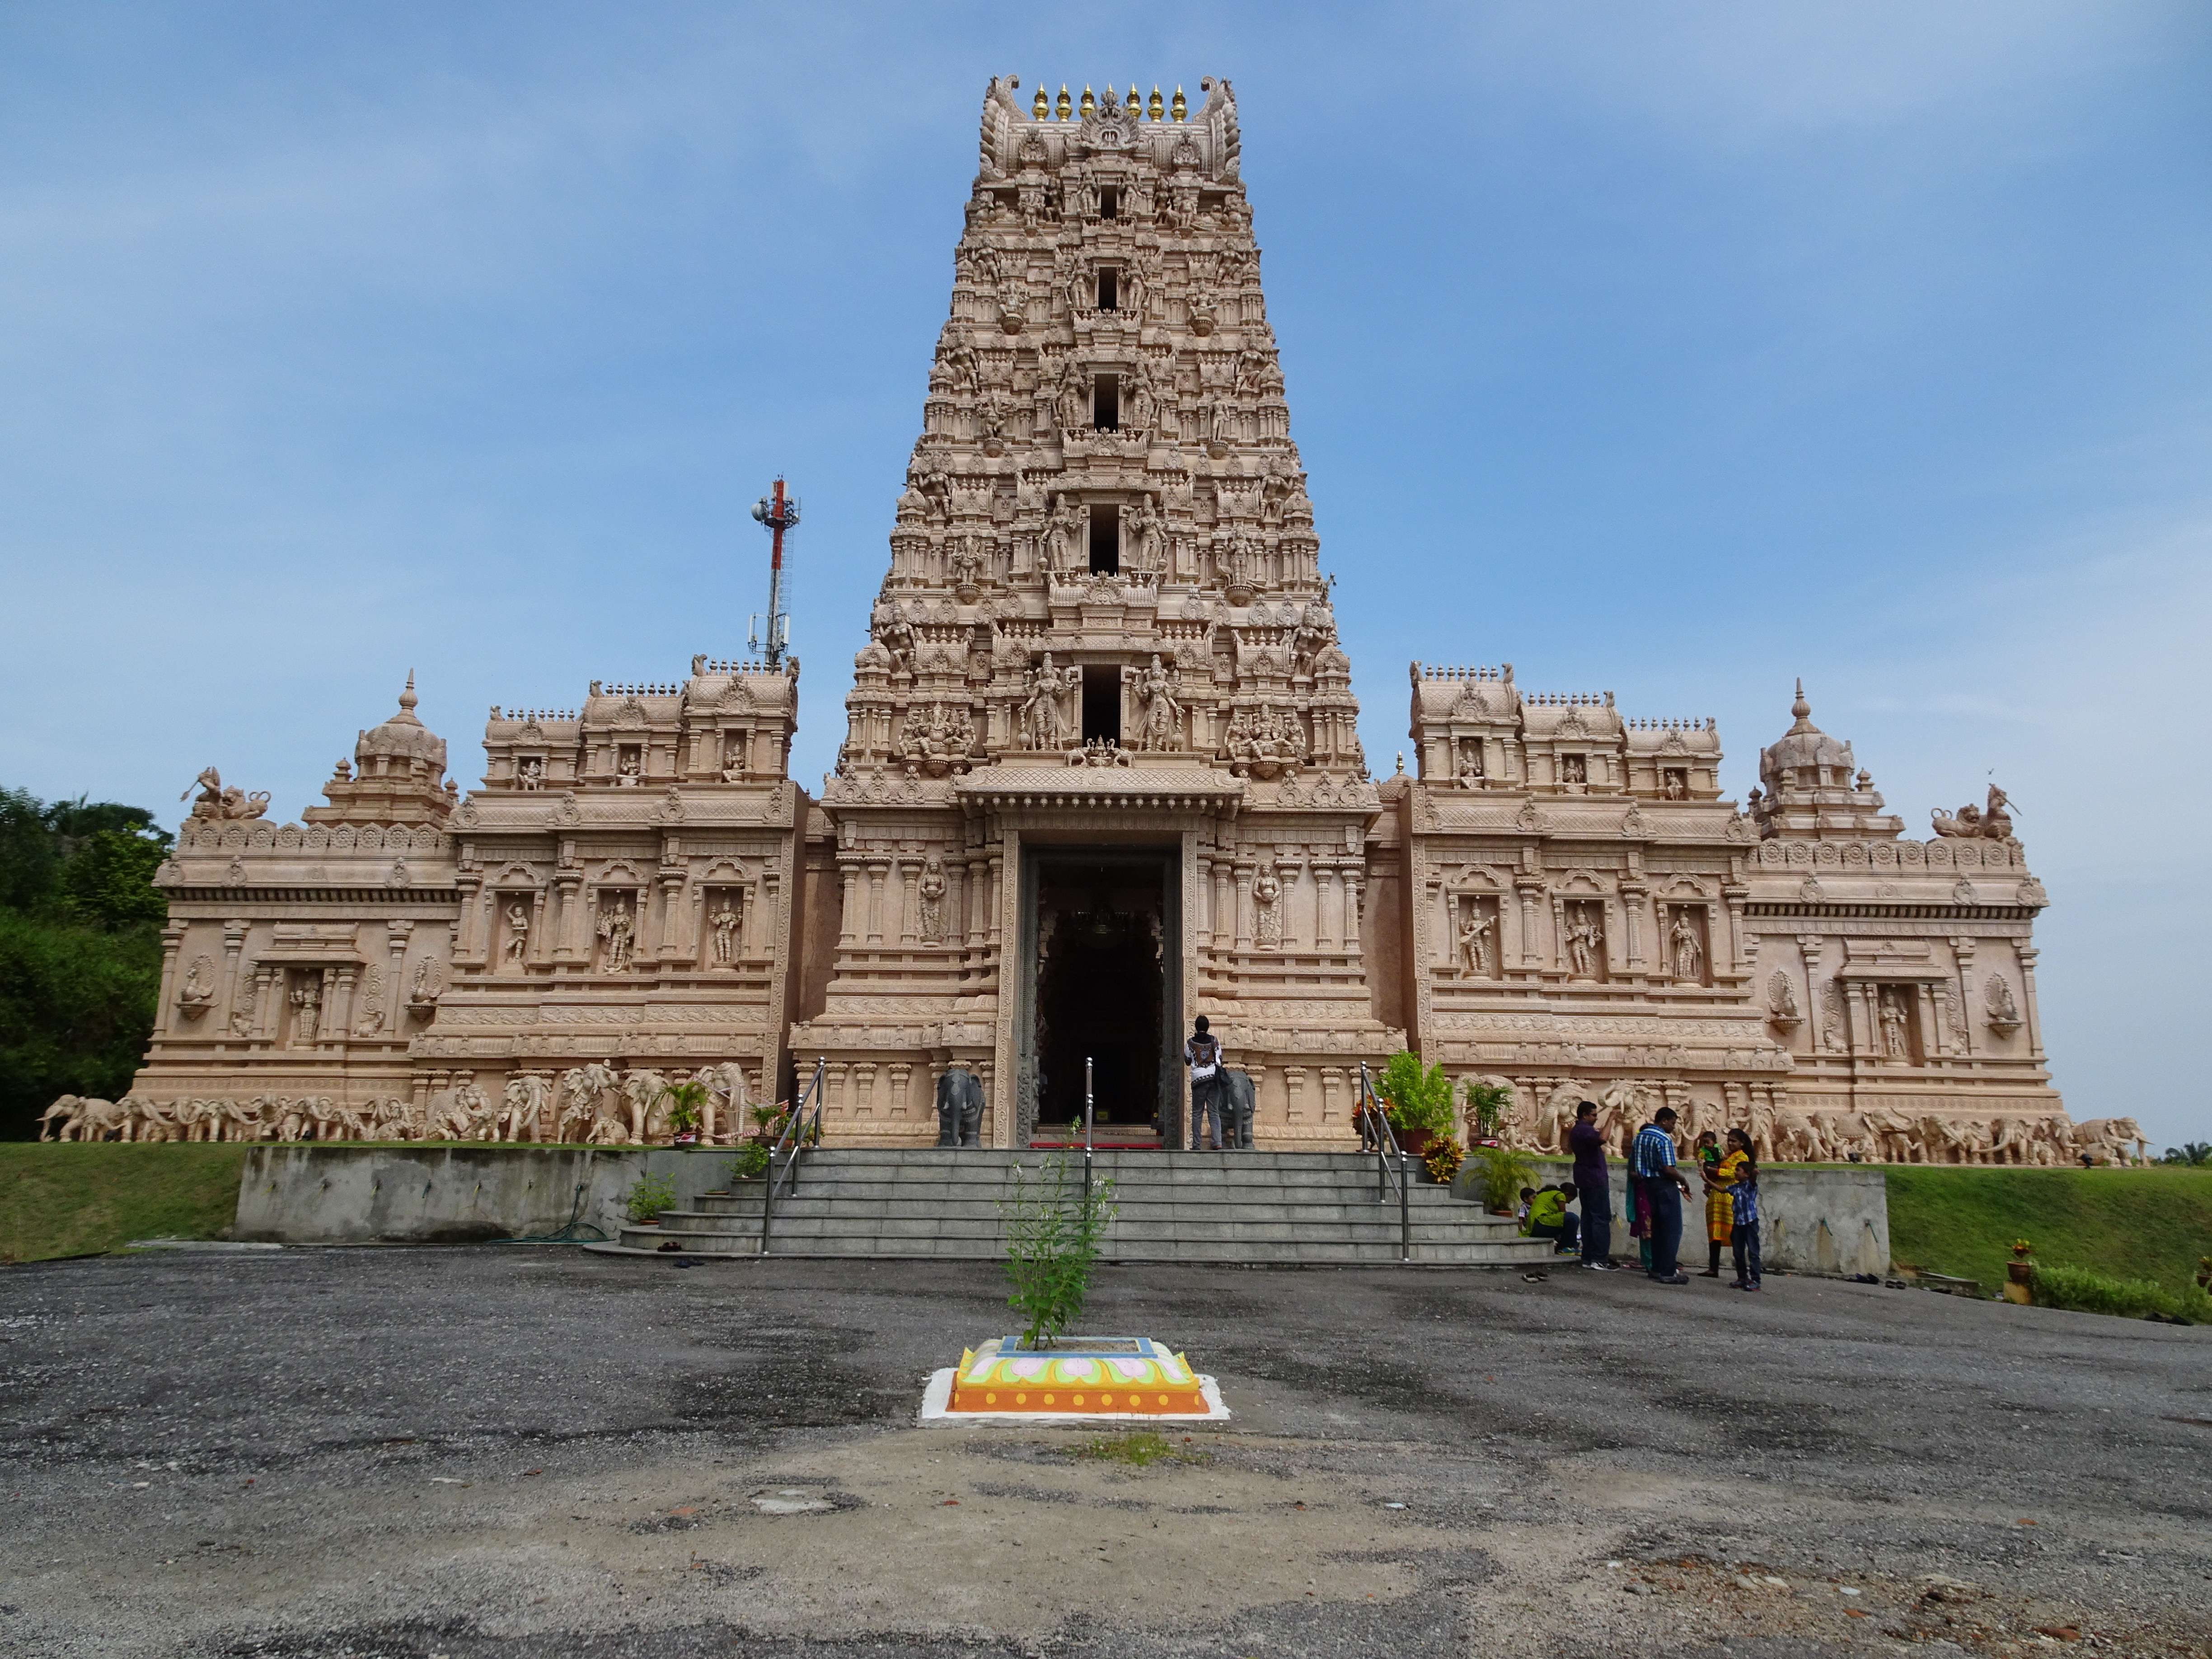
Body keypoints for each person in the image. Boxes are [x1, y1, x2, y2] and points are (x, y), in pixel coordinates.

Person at [1632, 1106, 1694, 1284]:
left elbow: (1637, 1166)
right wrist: (1683, 1180)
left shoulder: (1640, 1137)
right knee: (1672, 1230)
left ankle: (1656, 1268)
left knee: (1657, 1228)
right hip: (1664, 1185)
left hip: (1648, 1185)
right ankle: (1668, 1271)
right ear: (1664, 1121)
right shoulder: (1663, 1139)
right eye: (1673, 1123)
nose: (1674, 1127)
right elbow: (1668, 1168)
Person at [1567, 1100, 1616, 1270]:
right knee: (1601, 1219)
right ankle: (1599, 1258)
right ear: (1585, 1115)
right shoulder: (1584, 1130)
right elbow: (1603, 1138)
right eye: (1594, 1115)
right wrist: (1611, 1119)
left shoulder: (1577, 1131)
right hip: (1595, 1179)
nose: (1596, 1118)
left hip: (1585, 1179)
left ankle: (1588, 1257)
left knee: (1589, 1218)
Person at [1720, 1128, 1762, 1290]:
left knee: (1753, 1251)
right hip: (1738, 1222)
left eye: (1738, 1171)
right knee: (1738, 1251)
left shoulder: (1749, 1184)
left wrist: (1754, 1174)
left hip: (1750, 1222)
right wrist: (1706, 1179)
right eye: (1729, 1140)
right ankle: (1742, 1278)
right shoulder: (1735, 1187)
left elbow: (1753, 1178)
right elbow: (1722, 1189)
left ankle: (1756, 1280)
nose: (1735, 1173)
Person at [1184, 1016, 1226, 1150]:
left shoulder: (1191, 1043)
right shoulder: (1214, 1041)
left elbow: (1187, 1061)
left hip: (1198, 1081)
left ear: (1196, 1027)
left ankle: (1197, 1144)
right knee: (1214, 1111)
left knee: (1197, 1112)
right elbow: (1220, 1057)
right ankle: (1217, 1142)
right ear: (1208, 1027)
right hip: (1214, 1079)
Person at [1694, 1129, 1729, 1278]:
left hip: (1726, 1199)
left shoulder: (1733, 1157)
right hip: (1715, 1198)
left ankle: (1744, 1271)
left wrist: (1714, 1172)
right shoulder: (1703, 1152)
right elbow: (1701, 1163)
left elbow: (1731, 1172)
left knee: (1736, 1235)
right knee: (1714, 1235)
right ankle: (1713, 1268)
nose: (1706, 1145)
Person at [1529, 1182, 1581, 1253]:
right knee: (1572, 1218)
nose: (1568, 1203)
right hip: (1539, 1224)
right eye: (1570, 1200)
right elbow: (1563, 1214)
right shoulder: (1560, 1195)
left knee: (1567, 1222)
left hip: (1536, 1227)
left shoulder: (1547, 1194)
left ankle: (1567, 1247)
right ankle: (1566, 1248)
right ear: (1567, 1193)